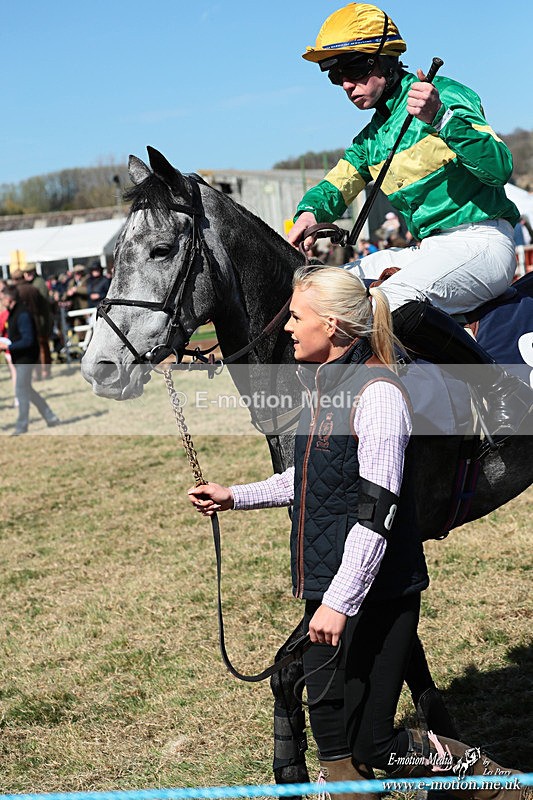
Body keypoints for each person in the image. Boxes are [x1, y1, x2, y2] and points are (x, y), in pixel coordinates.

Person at [188, 266, 526, 800]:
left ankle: (491, 782)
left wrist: (339, 604)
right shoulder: (323, 386)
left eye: (295, 317)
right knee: (333, 744)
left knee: (375, 747)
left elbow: (378, 511)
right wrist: (236, 495)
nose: (286, 328)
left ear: (332, 325)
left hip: (378, 596)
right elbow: (314, 476)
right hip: (328, 591)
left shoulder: (378, 395)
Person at [287, 2, 532, 437]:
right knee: (330, 291)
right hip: (428, 250)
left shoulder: (444, 94)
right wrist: (308, 213)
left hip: (483, 242)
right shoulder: (371, 137)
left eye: (352, 69)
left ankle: (497, 388)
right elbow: (338, 182)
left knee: (390, 300)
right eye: (334, 75)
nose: (346, 84)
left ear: (385, 60)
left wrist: (440, 118)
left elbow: (499, 168)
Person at [0, 285, 60, 435]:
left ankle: (22, 425)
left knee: (21, 390)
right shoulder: (14, 313)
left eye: (2, 299)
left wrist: (8, 346)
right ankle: (50, 417)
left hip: (26, 358)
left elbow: (28, 340)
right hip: (20, 357)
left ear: (9, 298)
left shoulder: (23, 314)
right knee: (27, 389)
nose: (1, 302)